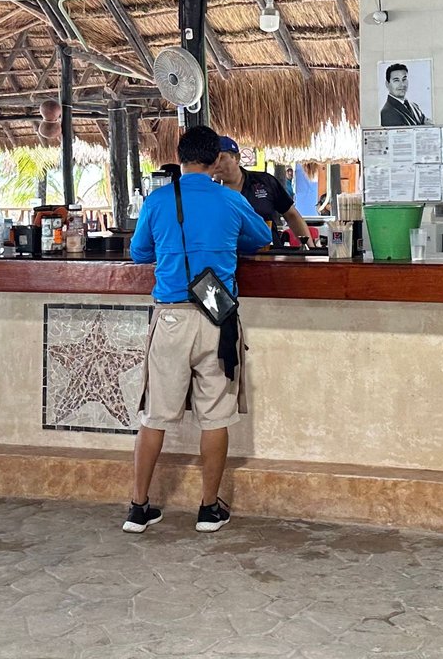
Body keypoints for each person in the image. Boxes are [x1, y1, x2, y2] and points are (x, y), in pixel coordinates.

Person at [123, 125, 272, 535]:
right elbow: (260, 239)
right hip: (216, 318)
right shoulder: (230, 199)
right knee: (215, 416)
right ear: (215, 160)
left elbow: (139, 251)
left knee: (154, 416)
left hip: (170, 317)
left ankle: (138, 508)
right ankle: (208, 509)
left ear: (180, 155)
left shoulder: (157, 200)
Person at [214, 136, 312, 249]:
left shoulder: (265, 181)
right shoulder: (209, 192)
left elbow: (291, 215)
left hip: (270, 256)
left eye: (221, 158)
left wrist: (310, 249)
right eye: (212, 160)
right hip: (228, 259)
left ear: (237, 158)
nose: (216, 165)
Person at [380, 62, 428, 126]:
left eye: (404, 79)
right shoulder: (387, 112)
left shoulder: (414, 106)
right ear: (387, 84)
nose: (402, 84)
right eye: (396, 80)